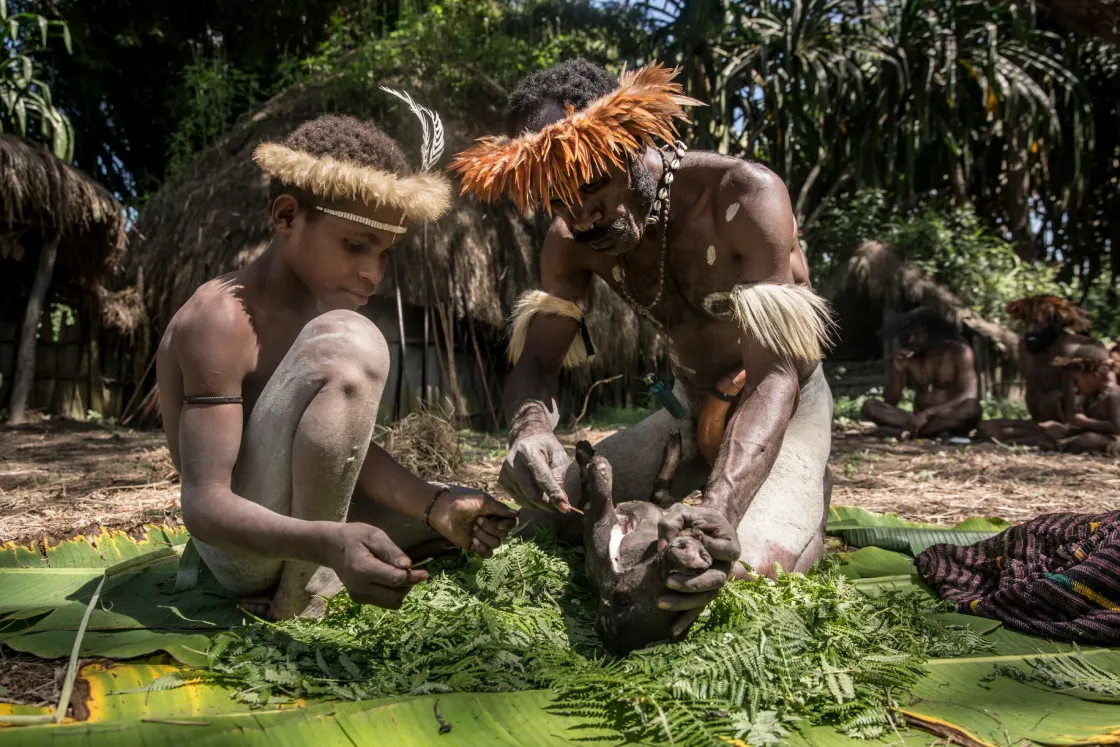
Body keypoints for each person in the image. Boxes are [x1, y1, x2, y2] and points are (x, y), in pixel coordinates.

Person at [450, 59, 836, 641]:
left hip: (783, 406)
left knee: (731, 576)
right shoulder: (570, 244)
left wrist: (721, 512)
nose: (582, 216)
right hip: (686, 409)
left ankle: (802, 489)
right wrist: (528, 431)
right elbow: (535, 365)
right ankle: (679, 487)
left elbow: (774, 375)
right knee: (541, 515)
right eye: (558, 201)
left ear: (636, 140)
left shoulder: (743, 196)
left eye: (592, 186)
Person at [156, 109, 517, 621]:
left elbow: (335, 453)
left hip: (311, 523)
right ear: (286, 218)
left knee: (505, 524)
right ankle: (305, 597)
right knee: (353, 339)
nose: (373, 272)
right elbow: (205, 506)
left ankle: (336, 561)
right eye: (354, 246)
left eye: (385, 253)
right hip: (242, 552)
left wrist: (435, 503)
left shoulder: (319, 309)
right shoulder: (219, 320)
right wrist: (328, 545)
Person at [977, 295, 1106, 447]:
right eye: (1027, 323)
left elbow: (1106, 402)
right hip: (1040, 426)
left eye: (1036, 323)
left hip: (1076, 428)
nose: (1030, 329)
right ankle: (1044, 440)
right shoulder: (1026, 349)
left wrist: (1073, 426)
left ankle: (1057, 441)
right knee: (987, 428)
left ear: (1055, 323)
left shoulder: (1084, 350)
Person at [860, 308, 981, 439]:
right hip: (915, 419)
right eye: (909, 335)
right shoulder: (909, 357)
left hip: (949, 416)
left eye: (917, 335)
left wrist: (929, 413)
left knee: (972, 408)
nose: (911, 340)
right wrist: (898, 372)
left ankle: (911, 433)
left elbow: (970, 394)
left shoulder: (960, 352)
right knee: (870, 406)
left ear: (934, 333)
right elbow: (890, 401)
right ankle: (928, 432)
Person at [1030, 355, 1120, 455]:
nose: (1075, 388)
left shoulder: (1114, 394)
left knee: (1089, 439)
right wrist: (1063, 427)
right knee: (1053, 432)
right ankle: (1058, 445)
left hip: (1113, 440)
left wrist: (1086, 422)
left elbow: (1117, 427)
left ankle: (1060, 447)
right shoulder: (1091, 396)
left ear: (1093, 377)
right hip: (1092, 434)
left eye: (1077, 382)